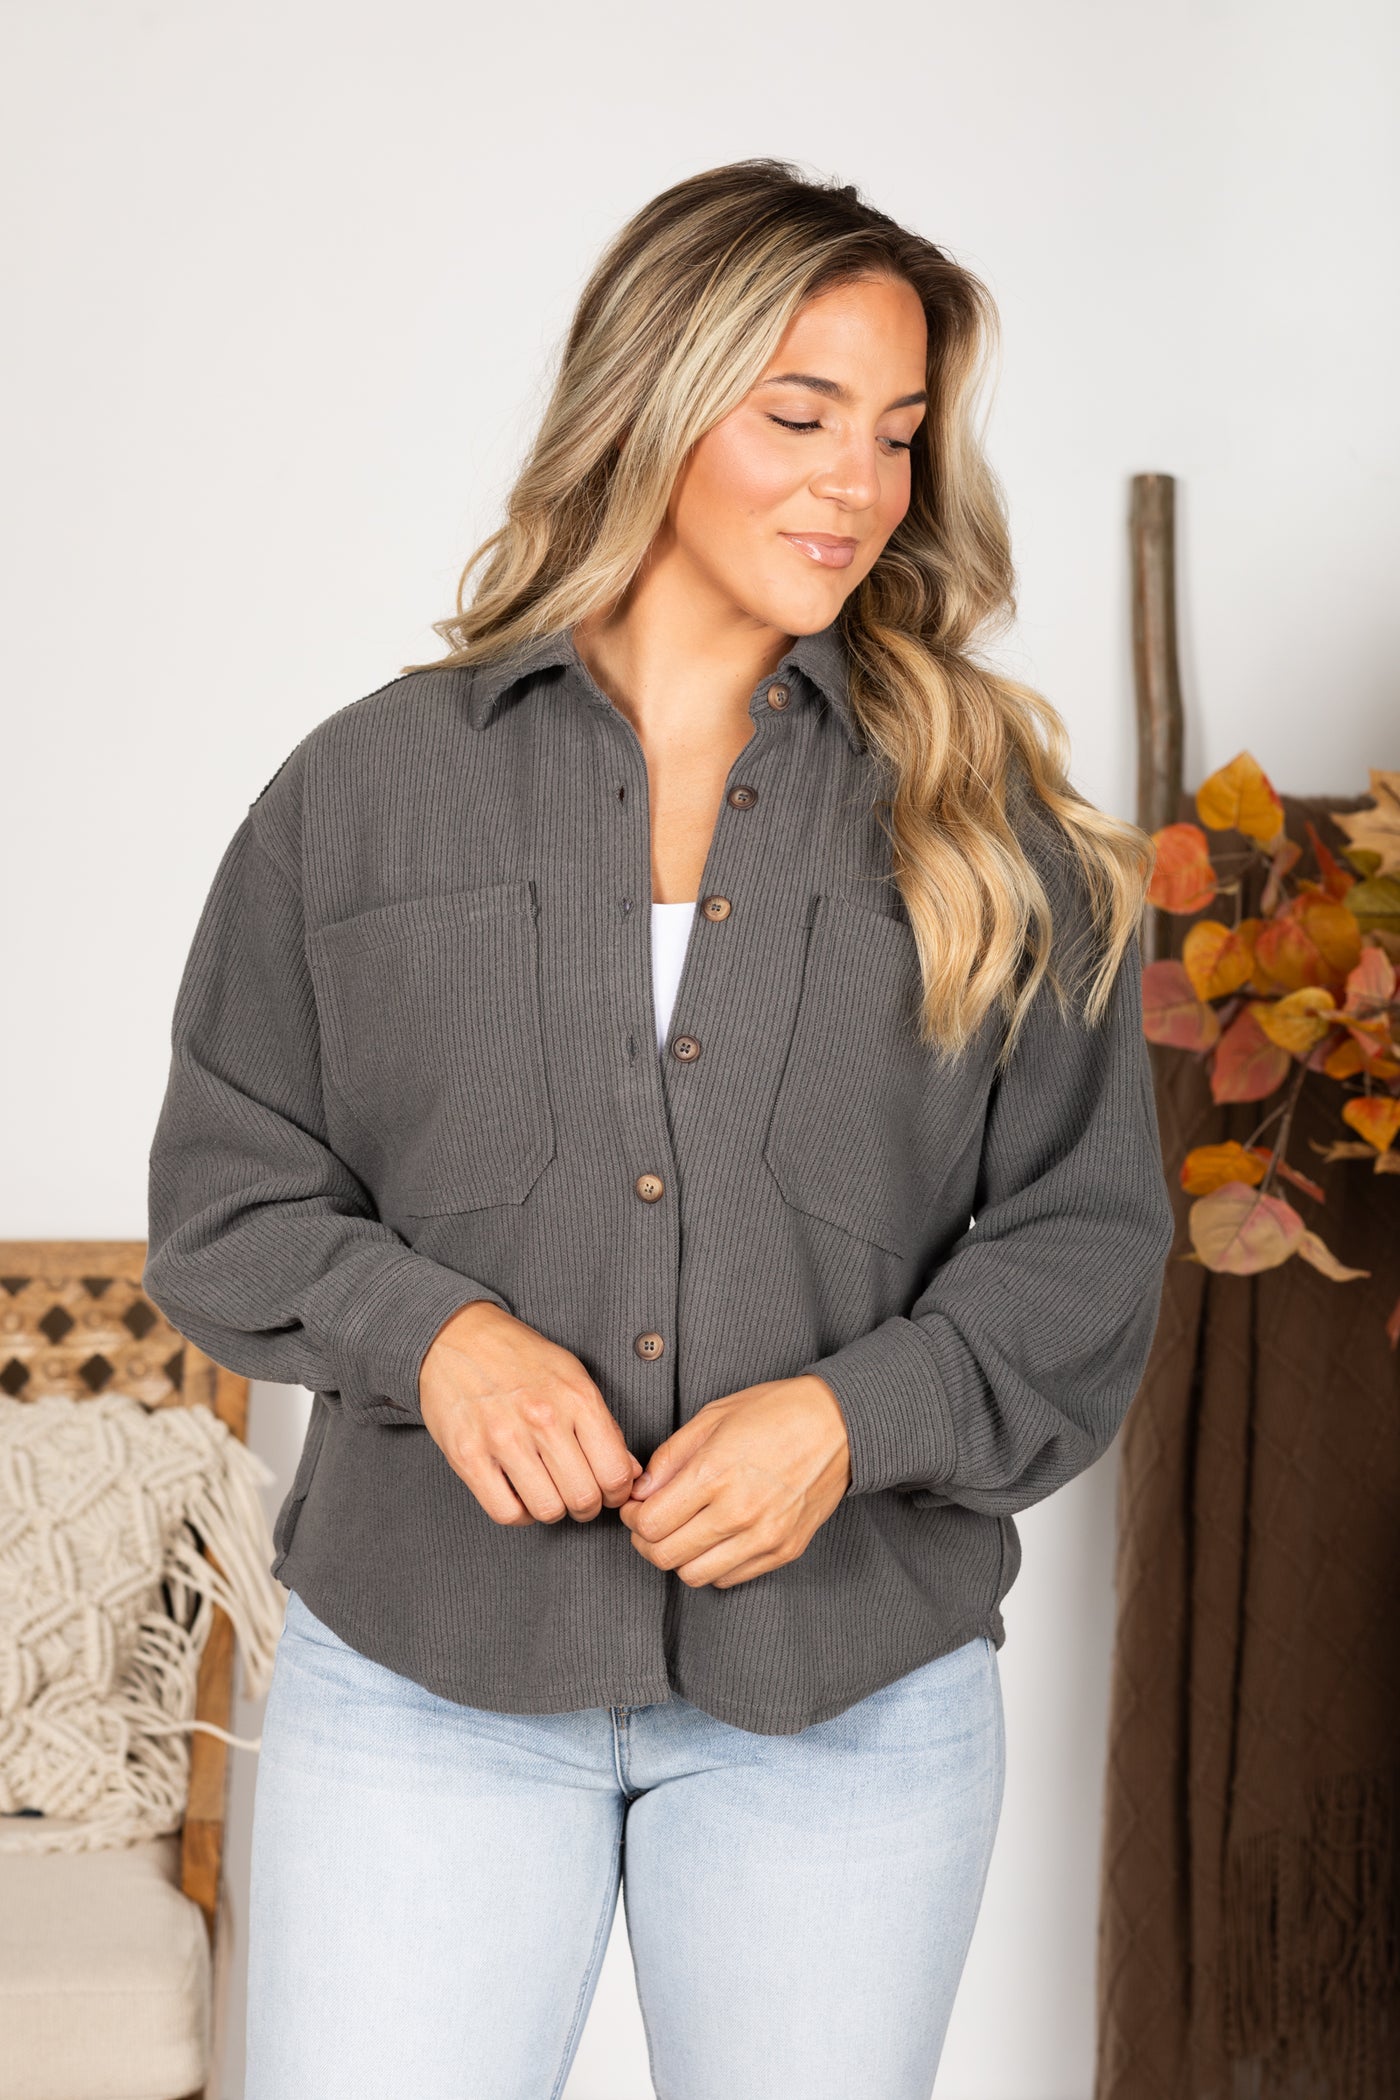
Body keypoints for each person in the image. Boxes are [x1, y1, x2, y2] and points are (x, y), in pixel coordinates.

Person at [142, 158, 1175, 2100]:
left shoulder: (996, 826)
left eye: (897, 431)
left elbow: (1086, 1248)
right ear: (654, 401)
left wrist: (849, 1418)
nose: (858, 485)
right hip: (426, 1668)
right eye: (800, 415)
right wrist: (436, 1337)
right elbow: (227, 1200)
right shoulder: (363, 796)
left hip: (847, 1694)